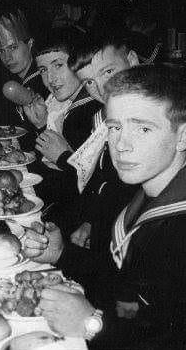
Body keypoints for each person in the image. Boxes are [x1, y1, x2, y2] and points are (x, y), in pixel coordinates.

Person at [22, 65, 186, 349]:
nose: (121, 145)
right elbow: (131, 292)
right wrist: (62, 253)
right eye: (115, 127)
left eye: (143, 128)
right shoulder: (157, 188)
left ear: (183, 136)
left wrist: (92, 324)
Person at [64, 35, 140, 300]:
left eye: (108, 71)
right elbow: (103, 177)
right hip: (104, 232)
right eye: (89, 82)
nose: (101, 88)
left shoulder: (146, 125)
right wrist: (89, 221)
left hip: (132, 252)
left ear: (132, 60)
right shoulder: (104, 119)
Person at [24, 32, 100, 234]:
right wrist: (40, 126)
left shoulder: (88, 110)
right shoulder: (58, 102)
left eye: (58, 65)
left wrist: (63, 159)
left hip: (75, 222)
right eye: (43, 70)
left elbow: (79, 190)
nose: (50, 78)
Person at [0, 8, 48, 148]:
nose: (7, 58)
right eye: (1, 51)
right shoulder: (10, 80)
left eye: (13, 47)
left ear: (30, 44)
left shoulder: (44, 82)